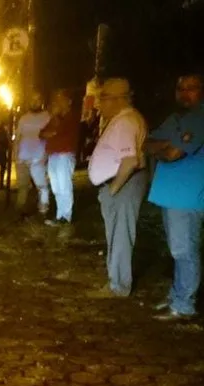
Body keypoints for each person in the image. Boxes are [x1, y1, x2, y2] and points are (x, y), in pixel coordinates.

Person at [144, 74, 204, 320]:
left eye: (191, 88)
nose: (184, 92)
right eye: (180, 88)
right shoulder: (175, 118)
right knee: (177, 249)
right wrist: (166, 146)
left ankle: (184, 305)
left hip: (188, 196)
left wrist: (165, 147)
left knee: (184, 250)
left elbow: (174, 154)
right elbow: (146, 143)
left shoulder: (200, 118)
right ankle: (176, 295)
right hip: (170, 196)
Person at [87, 78, 148, 298]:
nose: (98, 103)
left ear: (118, 99)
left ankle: (118, 286)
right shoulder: (122, 119)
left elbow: (130, 160)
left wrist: (113, 189)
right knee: (116, 234)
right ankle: (116, 281)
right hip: (123, 183)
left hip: (123, 185)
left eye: (102, 98)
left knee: (121, 235)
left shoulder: (125, 122)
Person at [40, 89, 81, 224]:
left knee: (64, 185)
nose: (58, 102)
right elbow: (42, 133)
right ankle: (60, 215)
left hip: (65, 154)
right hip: (53, 154)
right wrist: (52, 131)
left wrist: (53, 131)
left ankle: (66, 216)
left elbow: (59, 132)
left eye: (61, 99)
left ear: (69, 101)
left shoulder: (72, 117)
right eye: (57, 100)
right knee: (56, 187)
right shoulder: (55, 118)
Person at [15, 93, 52, 217]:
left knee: (41, 186)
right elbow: (18, 137)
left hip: (38, 158)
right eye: (32, 100)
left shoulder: (47, 117)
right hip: (22, 159)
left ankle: (43, 211)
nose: (35, 102)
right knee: (22, 187)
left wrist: (46, 156)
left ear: (41, 101)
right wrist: (16, 157)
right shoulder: (24, 118)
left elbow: (51, 136)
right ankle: (20, 211)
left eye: (37, 99)